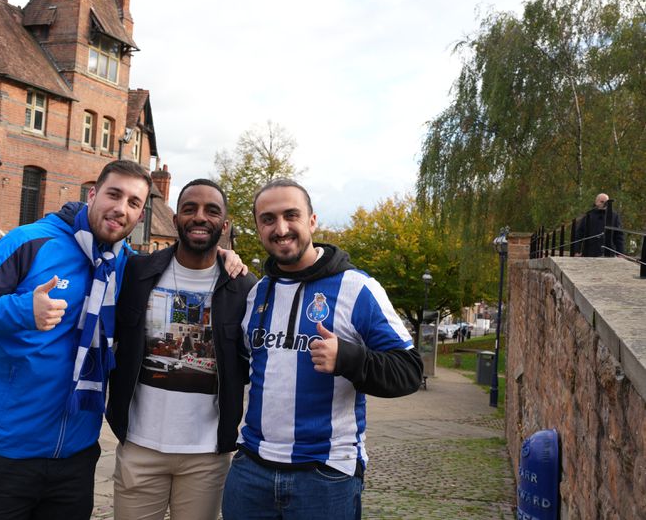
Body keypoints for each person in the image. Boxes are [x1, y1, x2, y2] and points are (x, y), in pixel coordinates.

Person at [0, 160, 152, 520]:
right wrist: (22, 311)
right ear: (92, 194)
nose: (121, 208)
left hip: (76, 458)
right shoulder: (31, 240)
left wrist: (224, 257)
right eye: (114, 194)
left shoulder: (126, 263)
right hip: (4, 458)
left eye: (134, 202)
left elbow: (183, 270)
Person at [221, 178, 423, 520]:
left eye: (291, 215)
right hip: (250, 470)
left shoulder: (357, 288)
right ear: (258, 228)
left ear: (312, 221)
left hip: (325, 475)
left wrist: (348, 358)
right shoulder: (257, 293)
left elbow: (409, 371)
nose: (281, 228)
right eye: (268, 219)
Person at [107, 179, 257, 520]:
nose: (200, 217)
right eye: (190, 209)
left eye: (211, 210)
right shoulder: (136, 271)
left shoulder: (244, 287)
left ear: (225, 224)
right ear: (175, 219)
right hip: (139, 446)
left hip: (206, 454)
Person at [574, 193, 624, 257]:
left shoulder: (614, 216)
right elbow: (579, 234)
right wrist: (576, 251)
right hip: (590, 253)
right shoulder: (589, 215)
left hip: (608, 253)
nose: (604, 204)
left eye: (606, 202)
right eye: (602, 202)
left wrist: (620, 252)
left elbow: (619, 236)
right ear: (596, 202)